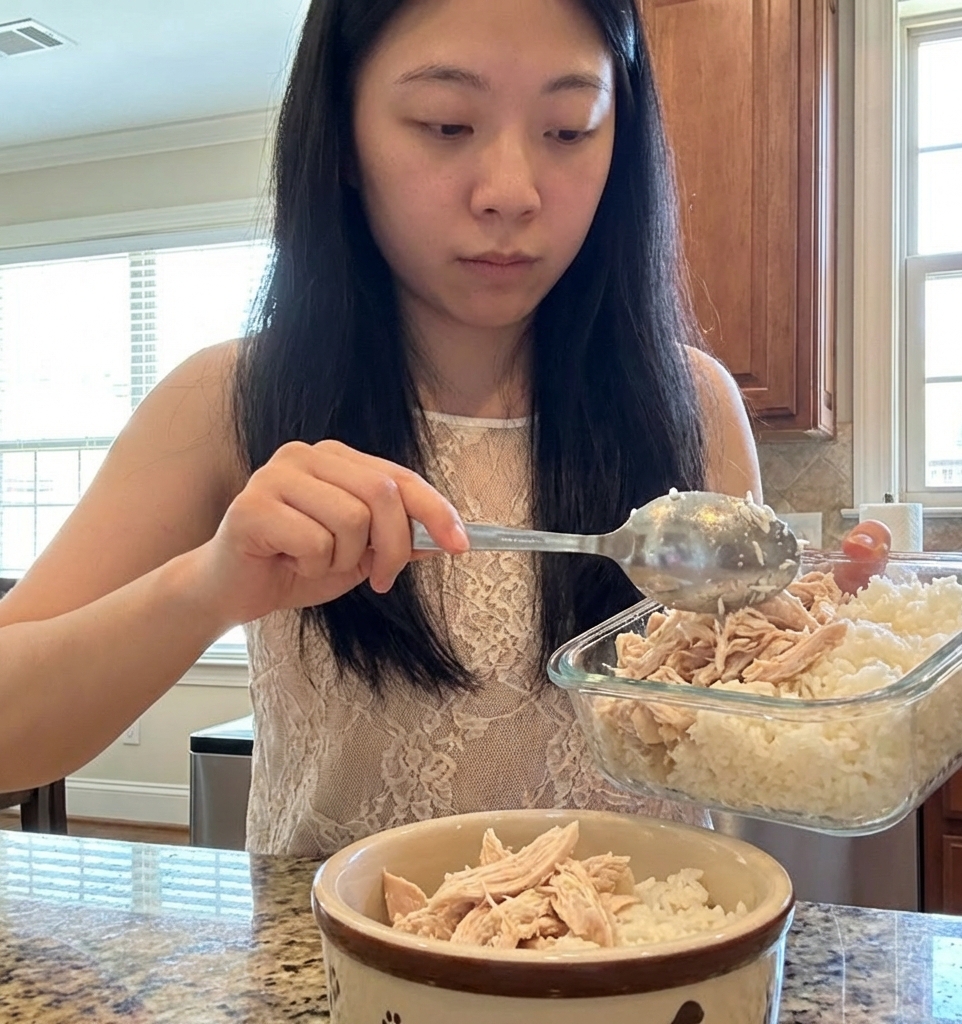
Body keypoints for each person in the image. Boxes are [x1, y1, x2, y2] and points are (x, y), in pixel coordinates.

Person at [0, 0, 760, 856]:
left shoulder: (691, 403)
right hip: (342, 984)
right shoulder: (228, 397)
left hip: (648, 972)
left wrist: (849, 651)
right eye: (445, 124)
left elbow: (738, 737)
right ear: (345, 139)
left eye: (568, 128)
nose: (510, 192)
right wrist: (207, 587)